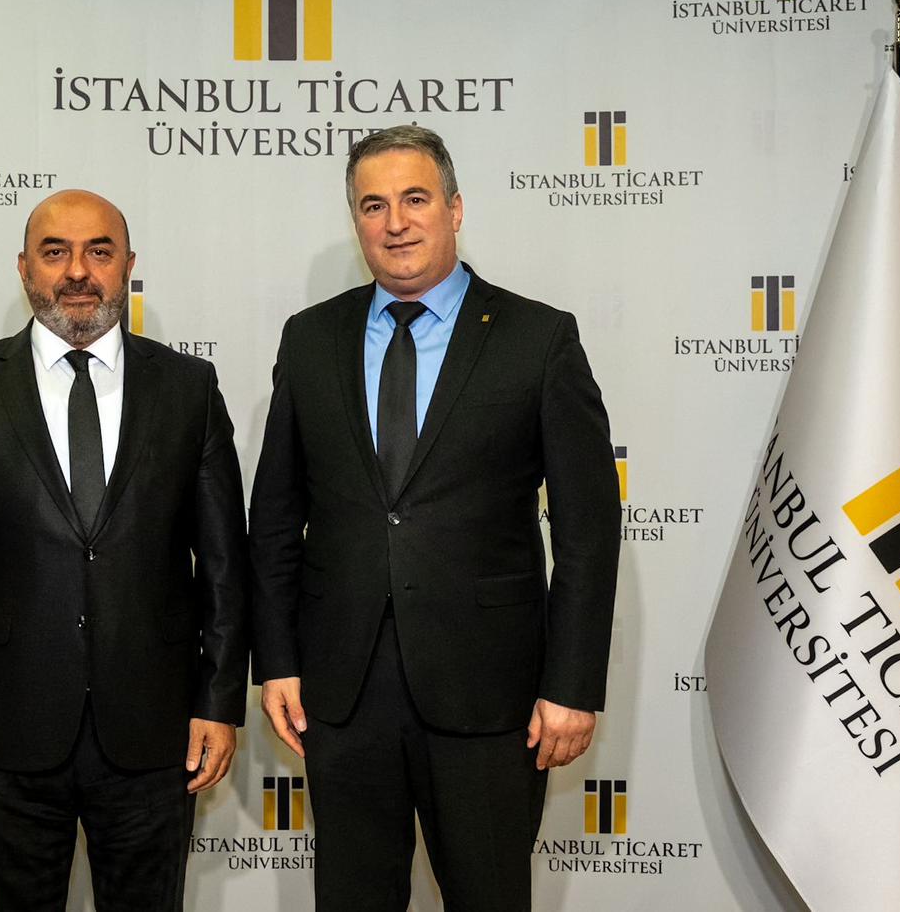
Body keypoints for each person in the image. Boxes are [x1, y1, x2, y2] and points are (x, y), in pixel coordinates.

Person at [249, 126, 621, 911]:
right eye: (373, 206)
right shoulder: (310, 339)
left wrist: (573, 685)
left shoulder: (538, 338)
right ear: (356, 221)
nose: (395, 223)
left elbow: (588, 532)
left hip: (489, 695)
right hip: (343, 693)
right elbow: (277, 517)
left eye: (415, 199)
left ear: (455, 209)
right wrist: (276, 659)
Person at [0, 189, 249, 911]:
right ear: (24, 268)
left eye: (99, 251)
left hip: (155, 735)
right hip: (1, 738)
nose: (78, 272)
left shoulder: (188, 388)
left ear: (129, 265)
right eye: (55, 252)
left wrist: (219, 701)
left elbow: (224, 565)